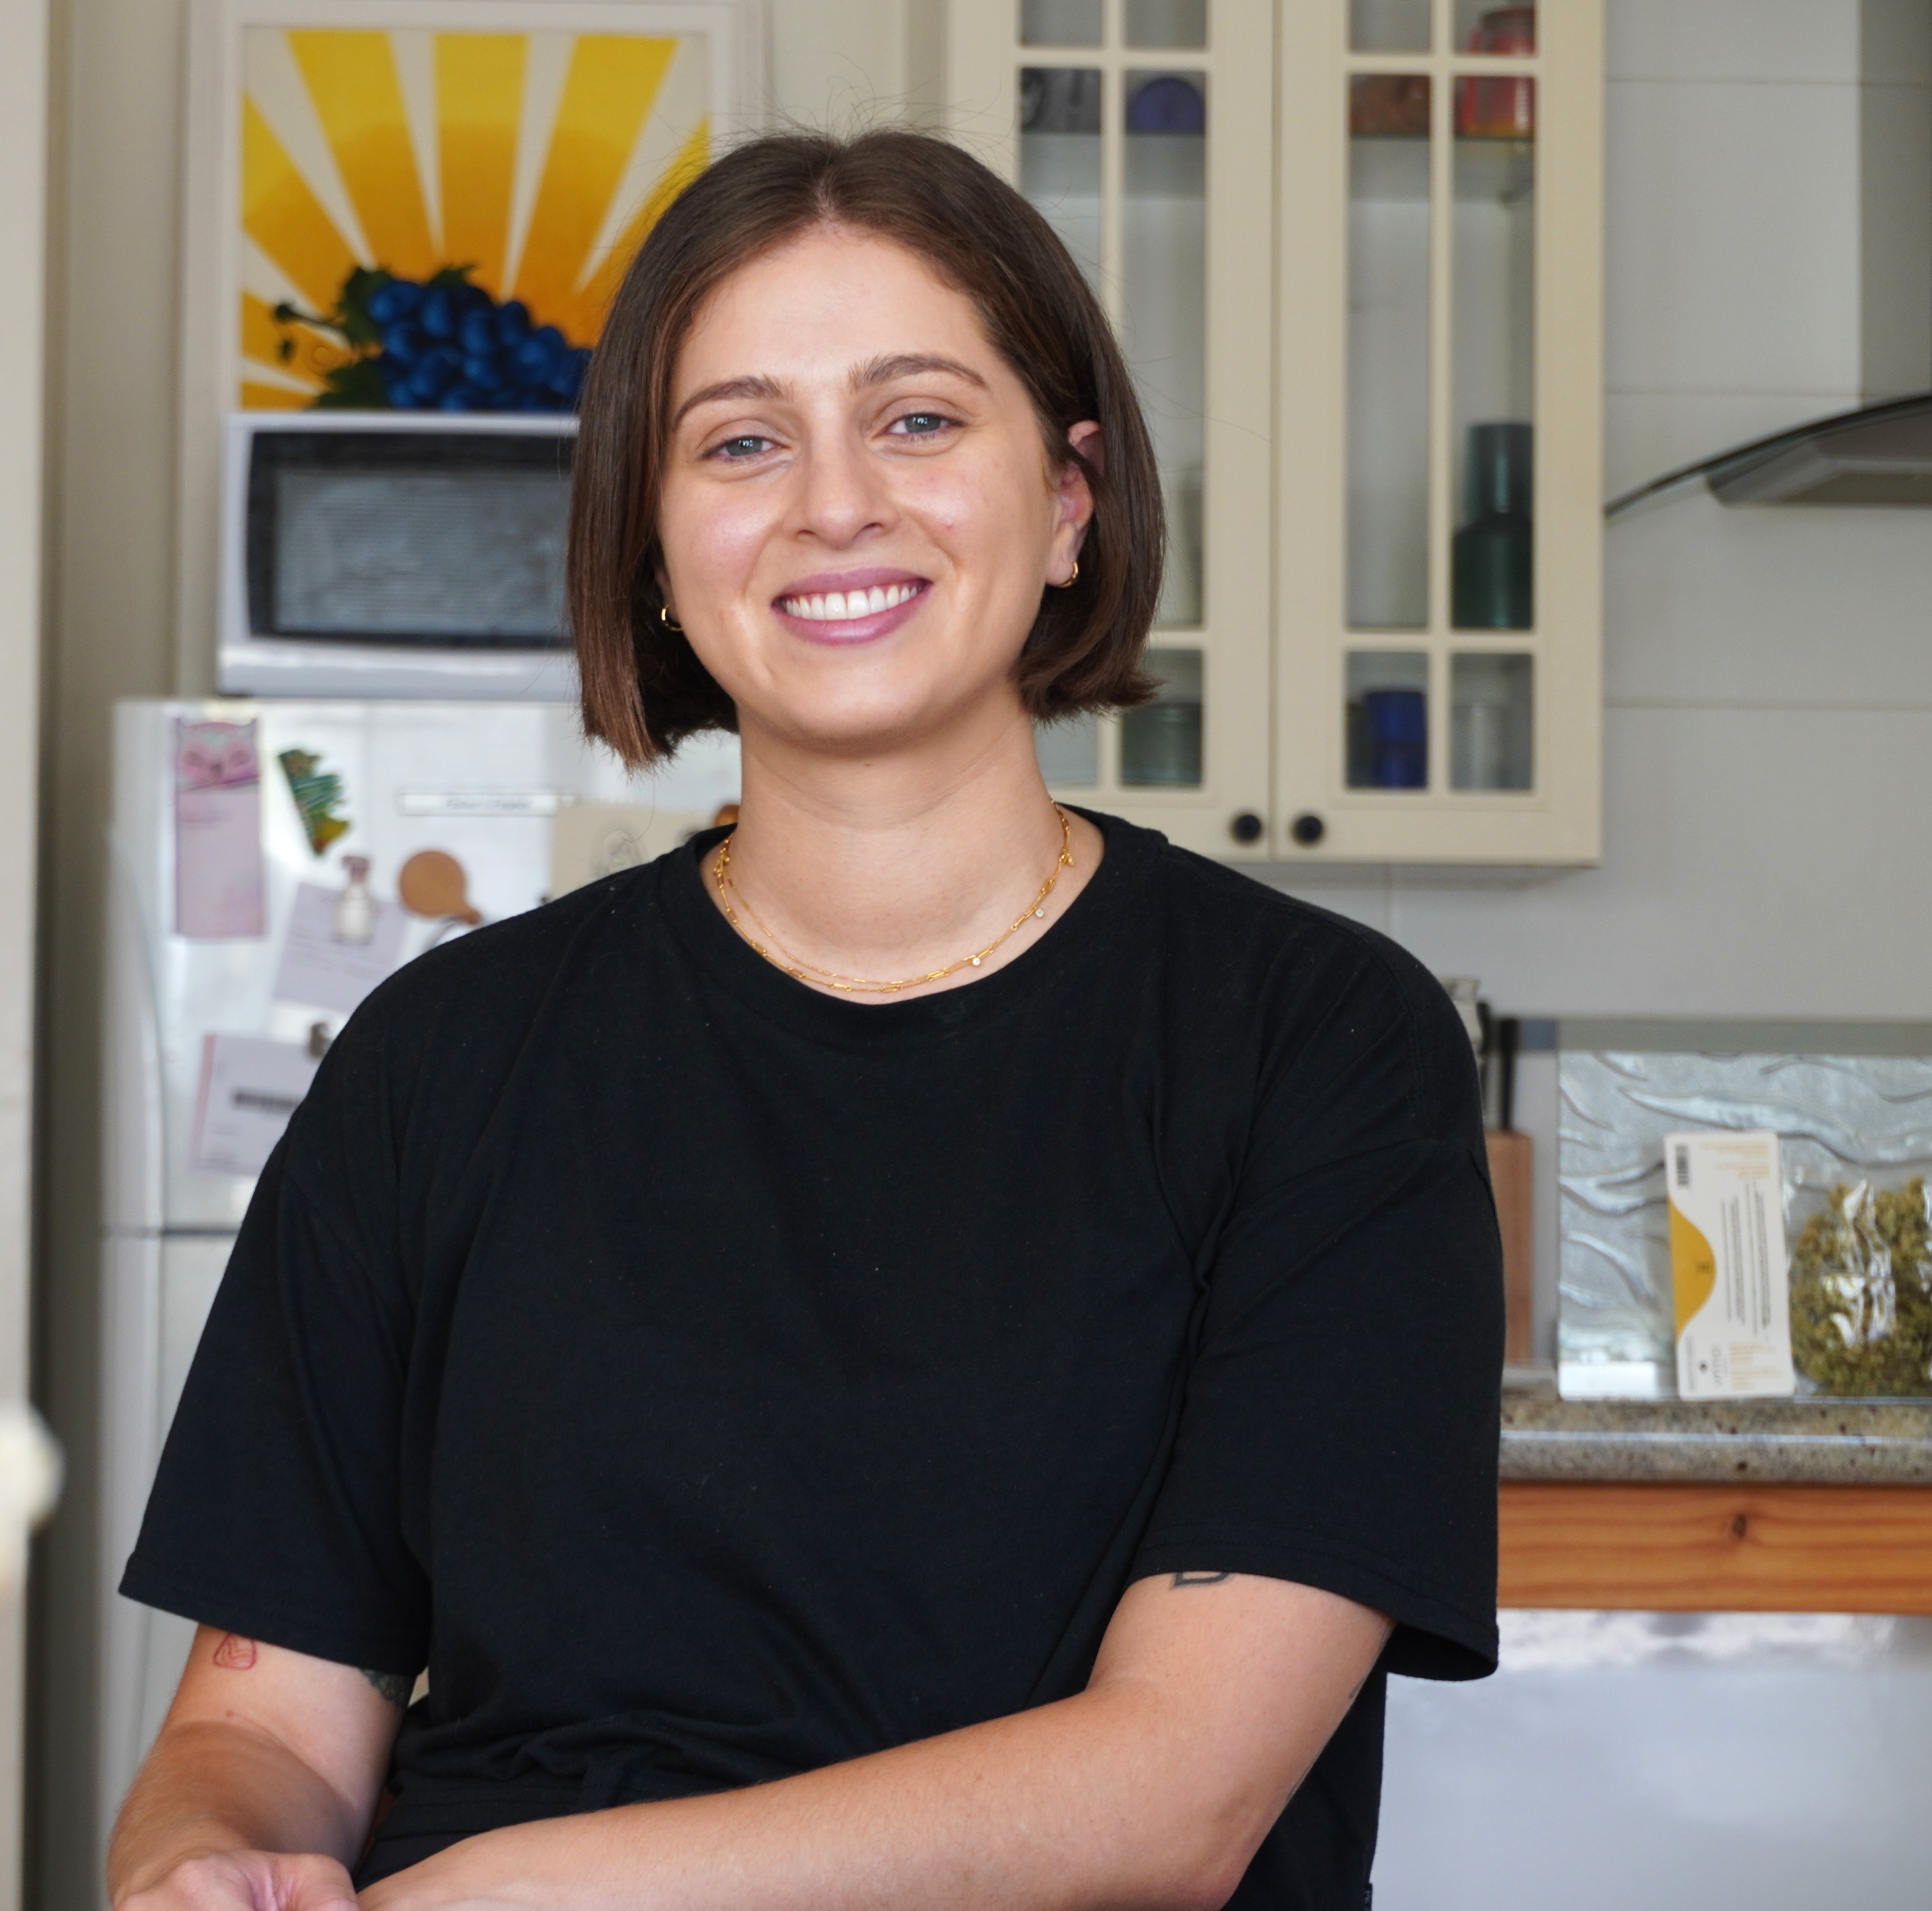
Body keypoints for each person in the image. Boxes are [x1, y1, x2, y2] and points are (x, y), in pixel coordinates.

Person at [107, 129, 1503, 1911]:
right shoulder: (437, 1061)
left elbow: (1179, 1796)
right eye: (744, 441)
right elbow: (267, 1728)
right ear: (657, 543)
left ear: (1073, 499)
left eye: (918, 418)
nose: (835, 502)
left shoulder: (1317, 1046)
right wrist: (209, 1866)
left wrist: (509, 1897)